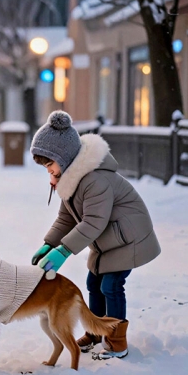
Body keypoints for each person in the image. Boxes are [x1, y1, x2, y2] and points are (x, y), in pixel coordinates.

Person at [30, 110, 160, 360]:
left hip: (128, 238)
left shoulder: (95, 180)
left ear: (64, 157)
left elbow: (93, 222)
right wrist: (49, 244)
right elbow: (66, 218)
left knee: (111, 284)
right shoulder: (69, 180)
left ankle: (116, 341)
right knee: (93, 283)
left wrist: (64, 251)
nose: (49, 172)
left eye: (49, 164)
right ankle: (96, 332)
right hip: (108, 241)